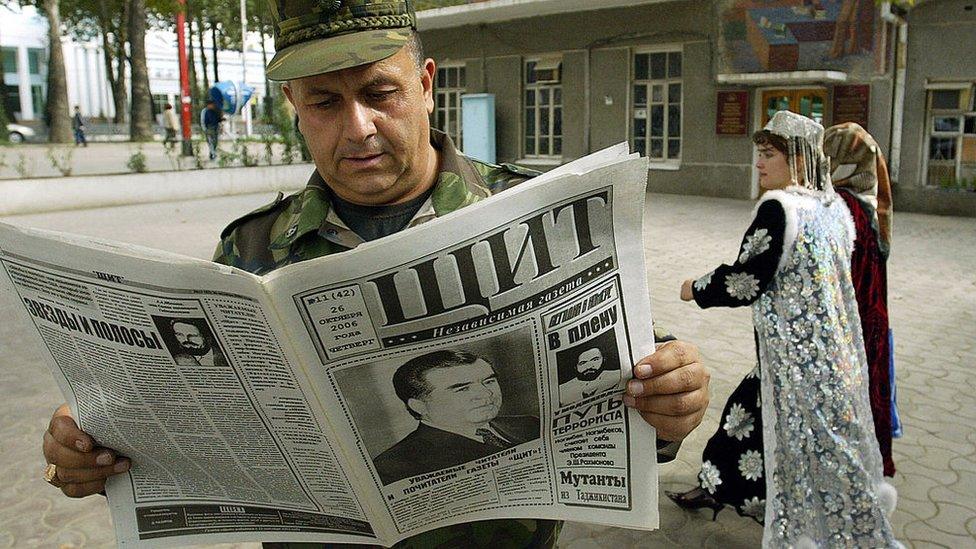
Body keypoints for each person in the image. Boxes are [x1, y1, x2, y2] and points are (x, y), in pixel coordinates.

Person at [40, 2, 711, 547]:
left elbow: (631, 396)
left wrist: (673, 402)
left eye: (379, 93)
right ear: (294, 106)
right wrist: (91, 437)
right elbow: (184, 412)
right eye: (325, 103)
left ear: (424, 85)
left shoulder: (539, 211)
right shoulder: (251, 248)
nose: (358, 128)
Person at [678, 111, 897, 547]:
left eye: (768, 155)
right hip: (831, 357)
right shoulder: (835, 207)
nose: (758, 164)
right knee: (749, 419)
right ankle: (721, 488)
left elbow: (748, 279)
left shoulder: (781, 208)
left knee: (799, 445)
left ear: (797, 160)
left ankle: (797, 522)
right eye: (758, 154)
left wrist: (695, 288)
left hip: (792, 364)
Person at [374, 350, 539, 484]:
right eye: (462, 389)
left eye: (488, 382)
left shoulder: (529, 424)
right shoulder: (395, 465)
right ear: (420, 406)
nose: (486, 393)